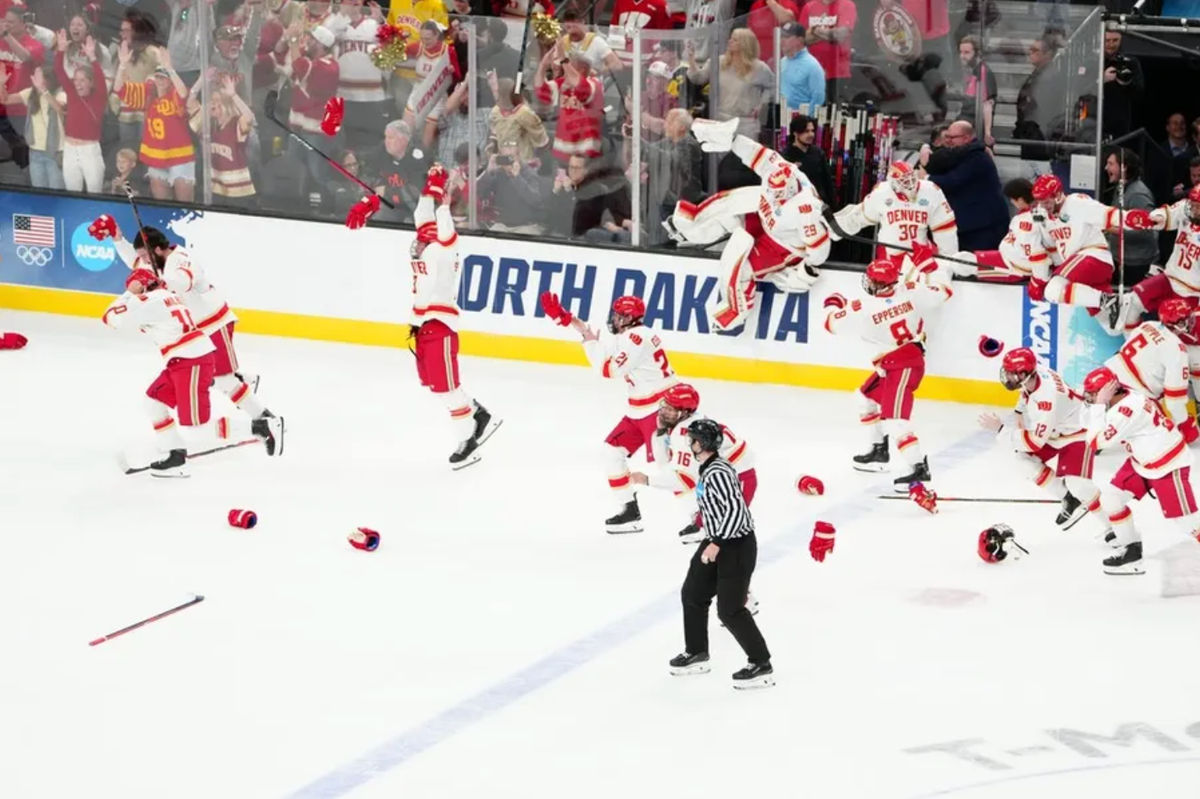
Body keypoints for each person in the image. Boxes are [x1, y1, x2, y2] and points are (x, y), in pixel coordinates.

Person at [348, 164, 502, 467]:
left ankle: (467, 441)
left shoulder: (444, 248)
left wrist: (443, 199)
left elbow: (440, 224)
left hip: (439, 324)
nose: (418, 242)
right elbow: (422, 214)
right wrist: (431, 185)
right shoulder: (427, 243)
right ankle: (480, 414)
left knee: (446, 388)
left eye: (424, 238)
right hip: (425, 327)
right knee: (439, 386)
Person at [92, 217, 278, 430]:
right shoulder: (156, 260)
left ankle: (264, 417)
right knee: (214, 378)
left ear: (159, 249)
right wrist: (117, 239)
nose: (142, 260)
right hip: (195, 332)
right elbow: (135, 262)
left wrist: (157, 282)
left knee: (224, 380)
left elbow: (182, 282)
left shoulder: (182, 259)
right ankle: (247, 386)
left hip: (214, 325)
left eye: (145, 255)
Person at [101, 269, 282, 477]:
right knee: (153, 402)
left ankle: (261, 427)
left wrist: (130, 293)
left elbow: (111, 318)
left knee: (197, 429)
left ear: (141, 287)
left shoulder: (149, 301)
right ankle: (176, 456)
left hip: (190, 362)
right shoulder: (168, 297)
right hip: (184, 361)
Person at [664, 118, 831, 332]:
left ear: (790, 190)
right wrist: (731, 139)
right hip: (766, 217)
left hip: (782, 245)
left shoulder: (806, 209)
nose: (774, 194)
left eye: (778, 194)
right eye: (771, 189)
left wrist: (807, 270)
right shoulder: (779, 169)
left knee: (737, 263)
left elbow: (819, 246)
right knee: (728, 203)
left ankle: (736, 310)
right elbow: (756, 153)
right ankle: (690, 227)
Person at [538, 292, 677, 533]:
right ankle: (629, 511)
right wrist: (566, 319)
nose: (613, 318)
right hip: (639, 408)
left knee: (672, 467)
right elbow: (597, 341)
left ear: (628, 318)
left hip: (659, 410)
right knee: (612, 451)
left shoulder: (634, 338)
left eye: (617, 315)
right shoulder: (627, 335)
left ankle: (703, 515)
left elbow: (608, 370)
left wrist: (590, 341)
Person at [823, 259, 952, 491]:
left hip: (902, 366)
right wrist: (931, 268)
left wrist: (833, 304)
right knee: (865, 398)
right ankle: (878, 451)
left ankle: (918, 468)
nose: (869, 281)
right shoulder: (910, 290)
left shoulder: (862, 307)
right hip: (900, 360)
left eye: (872, 279)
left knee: (895, 422)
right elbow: (943, 292)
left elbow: (830, 325)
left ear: (881, 285)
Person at [668, 418, 773, 689]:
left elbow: (736, 512)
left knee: (730, 610)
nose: (689, 443)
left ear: (701, 444)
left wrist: (716, 543)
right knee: (693, 594)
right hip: (716, 541)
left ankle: (761, 664)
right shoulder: (708, 468)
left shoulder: (718, 472)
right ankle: (697, 652)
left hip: (735, 545)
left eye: (692, 439)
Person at [1082, 365, 1200, 576]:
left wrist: (1098, 406)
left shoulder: (1125, 411)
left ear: (1109, 391)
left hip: (1168, 466)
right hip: (1142, 462)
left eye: (1094, 394)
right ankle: (1132, 553)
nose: (1090, 398)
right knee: (1111, 499)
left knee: (1188, 524)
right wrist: (1099, 404)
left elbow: (1095, 442)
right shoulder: (1125, 394)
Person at [978, 347, 1105, 531]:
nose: (1006, 376)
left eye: (1011, 373)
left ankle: (1113, 528)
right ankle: (1068, 498)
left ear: (1023, 374)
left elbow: (1035, 442)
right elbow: (1027, 394)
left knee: (1080, 486)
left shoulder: (1046, 400)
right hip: (1058, 428)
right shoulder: (1036, 375)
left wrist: (1000, 429)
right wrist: (1019, 410)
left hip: (1078, 432)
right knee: (1023, 459)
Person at [628, 383, 757, 543]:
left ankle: (708, 527)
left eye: (670, 409)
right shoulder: (685, 423)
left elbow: (684, 479)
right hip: (721, 475)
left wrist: (646, 480)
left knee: (731, 527)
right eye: (664, 405)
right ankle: (702, 521)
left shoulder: (685, 435)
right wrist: (661, 433)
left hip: (739, 479)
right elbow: (667, 465)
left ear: (684, 412)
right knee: (685, 481)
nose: (663, 412)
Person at [832, 160, 959, 280]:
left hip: (921, 257)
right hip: (889, 258)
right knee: (887, 295)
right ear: (893, 183)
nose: (910, 185)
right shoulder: (881, 193)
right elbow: (859, 217)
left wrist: (947, 268)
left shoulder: (931, 191)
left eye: (912, 179)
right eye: (905, 181)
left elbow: (946, 232)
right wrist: (832, 229)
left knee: (923, 294)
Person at [1026, 174, 1121, 326]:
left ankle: (1108, 300)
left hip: (1093, 256)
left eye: (1046, 201)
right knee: (1113, 326)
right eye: (1039, 201)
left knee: (1053, 290)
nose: (1043, 205)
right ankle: (1126, 304)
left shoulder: (1076, 202)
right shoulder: (1042, 215)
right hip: (1079, 268)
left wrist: (1127, 222)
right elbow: (1051, 247)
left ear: (1057, 195)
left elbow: (1106, 216)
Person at [1111, 184, 1200, 332]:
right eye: (1193, 206)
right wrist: (1153, 218)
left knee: (1182, 336)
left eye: (1198, 208)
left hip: (1192, 293)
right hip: (1169, 278)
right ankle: (1135, 348)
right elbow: (1166, 215)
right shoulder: (1186, 208)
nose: (1194, 210)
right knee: (1129, 305)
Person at [114, 51, 195, 202]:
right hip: (156, 158)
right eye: (158, 76)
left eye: (164, 77)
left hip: (181, 157)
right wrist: (122, 65)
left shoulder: (175, 95)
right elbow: (119, 89)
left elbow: (184, 93)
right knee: (162, 204)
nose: (160, 80)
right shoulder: (147, 93)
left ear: (170, 80)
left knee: (185, 206)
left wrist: (170, 68)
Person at [925, 120, 1007, 251]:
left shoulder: (978, 157)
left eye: (952, 137)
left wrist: (925, 178)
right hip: (970, 224)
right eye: (947, 137)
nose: (948, 141)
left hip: (983, 227)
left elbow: (953, 181)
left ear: (966, 138)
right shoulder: (962, 154)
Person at [946, 177, 1047, 284]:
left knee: (962, 262)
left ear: (1020, 200)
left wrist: (1038, 281)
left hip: (1013, 268)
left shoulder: (1029, 221)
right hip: (1007, 259)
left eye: (1012, 199)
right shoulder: (1026, 215)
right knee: (962, 259)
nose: (1012, 202)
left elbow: (1035, 253)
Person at [1101, 148, 1156, 288]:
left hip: (1135, 265)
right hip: (1121, 259)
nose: (1106, 167)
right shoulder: (1121, 188)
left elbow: (1149, 230)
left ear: (1124, 167)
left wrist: (1114, 229)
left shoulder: (1138, 194)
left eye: (1110, 163)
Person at [798, 0, 854, 101]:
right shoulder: (809, 7)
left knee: (834, 112)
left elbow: (840, 36)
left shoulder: (846, 5)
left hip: (838, 74)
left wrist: (815, 30)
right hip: (812, 73)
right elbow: (801, 39)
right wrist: (828, 33)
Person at [781, 113, 834, 206]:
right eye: (806, 131)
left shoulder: (818, 153)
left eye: (812, 131)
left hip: (820, 205)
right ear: (795, 133)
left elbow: (828, 183)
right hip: (798, 208)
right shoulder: (786, 157)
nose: (811, 134)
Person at [1101, 30, 1142, 140]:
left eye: (1115, 40)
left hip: (1120, 122)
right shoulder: (1092, 60)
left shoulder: (1131, 62)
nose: (1111, 44)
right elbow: (1079, 88)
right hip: (1094, 118)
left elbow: (1139, 91)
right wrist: (1101, 80)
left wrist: (1125, 83)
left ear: (1121, 40)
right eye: (1107, 40)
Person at [956, 35, 995, 147]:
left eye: (966, 52)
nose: (962, 56)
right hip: (967, 123)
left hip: (975, 127)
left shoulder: (983, 72)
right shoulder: (973, 71)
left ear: (977, 53)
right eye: (961, 52)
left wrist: (987, 133)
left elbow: (987, 104)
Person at [778, 22, 824, 112]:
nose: (782, 40)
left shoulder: (812, 66)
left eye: (786, 37)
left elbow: (818, 99)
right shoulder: (781, 62)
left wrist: (804, 121)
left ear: (800, 40)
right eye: (781, 36)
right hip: (779, 117)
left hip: (799, 120)